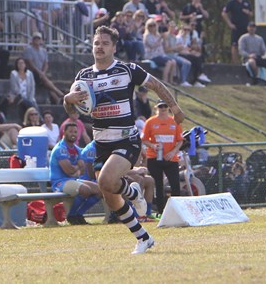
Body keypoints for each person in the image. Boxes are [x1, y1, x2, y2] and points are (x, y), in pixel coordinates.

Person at [64, 25, 186, 254]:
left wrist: (175, 108)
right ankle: (143, 237)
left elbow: (157, 85)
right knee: (110, 198)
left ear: (114, 47)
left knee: (107, 181)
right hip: (100, 142)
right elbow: (72, 112)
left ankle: (133, 192)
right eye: (96, 43)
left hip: (126, 139)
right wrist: (67, 98)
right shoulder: (83, 77)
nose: (99, 47)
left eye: (105, 43)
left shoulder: (127, 70)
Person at [49, 123, 103, 225]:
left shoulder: (77, 149)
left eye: (75, 132)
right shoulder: (60, 149)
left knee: (100, 190)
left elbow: (81, 171)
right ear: (64, 132)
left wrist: (75, 169)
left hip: (73, 180)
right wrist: (76, 168)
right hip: (59, 182)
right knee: (85, 190)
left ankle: (78, 214)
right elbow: (68, 170)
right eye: (70, 131)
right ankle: (72, 215)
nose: (73, 134)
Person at [142, 100, 184, 215]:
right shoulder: (150, 122)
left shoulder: (174, 122)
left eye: (165, 106)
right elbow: (144, 139)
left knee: (175, 185)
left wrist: (173, 152)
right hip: (154, 158)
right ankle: (161, 212)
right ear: (157, 108)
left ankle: (177, 212)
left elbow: (180, 141)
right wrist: (152, 145)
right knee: (159, 186)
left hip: (171, 159)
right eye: (161, 106)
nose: (163, 108)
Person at [22, 32, 65, 104]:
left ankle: (57, 100)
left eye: (38, 39)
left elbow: (46, 63)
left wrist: (43, 72)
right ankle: (59, 93)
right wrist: (40, 73)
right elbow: (30, 63)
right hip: (32, 73)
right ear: (32, 40)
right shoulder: (28, 50)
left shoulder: (44, 51)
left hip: (41, 74)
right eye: (35, 39)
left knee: (47, 84)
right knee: (46, 81)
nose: (37, 40)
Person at [238, 22, 266, 86]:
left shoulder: (259, 38)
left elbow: (264, 50)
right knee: (252, 62)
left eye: (253, 27)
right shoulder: (243, 38)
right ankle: (256, 78)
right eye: (250, 27)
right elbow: (241, 51)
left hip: (259, 57)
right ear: (247, 28)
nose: (252, 29)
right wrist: (249, 55)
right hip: (248, 58)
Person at [222, 0, 253, 64]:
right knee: (234, 44)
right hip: (236, 27)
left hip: (245, 27)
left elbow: (251, 13)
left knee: (246, 44)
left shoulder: (246, 3)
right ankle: (235, 63)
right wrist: (229, 24)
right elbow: (224, 13)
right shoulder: (231, 3)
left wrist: (248, 12)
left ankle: (246, 61)